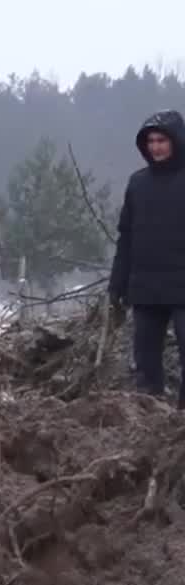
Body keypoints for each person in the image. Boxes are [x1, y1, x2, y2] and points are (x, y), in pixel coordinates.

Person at [109, 110, 185, 408]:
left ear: (176, 141)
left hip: (182, 287)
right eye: (150, 141)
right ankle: (146, 423)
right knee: (145, 364)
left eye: (162, 140)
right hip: (145, 288)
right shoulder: (137, 183)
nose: (155, 147)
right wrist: (117, 286)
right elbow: (125, 238)